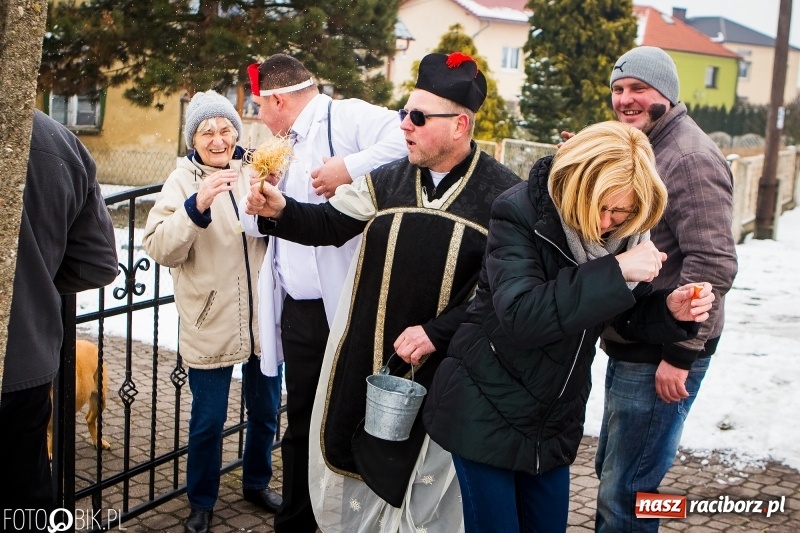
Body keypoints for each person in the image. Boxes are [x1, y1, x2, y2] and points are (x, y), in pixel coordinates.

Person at [242, 52, 522, 532]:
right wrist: (280, 208)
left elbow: (503, 294)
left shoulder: (504, 196)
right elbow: (328, 225)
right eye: (402, 113)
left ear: (459, 125)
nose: (404, 126)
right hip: (374, 360)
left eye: (417, 117)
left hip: (452, 373)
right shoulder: (387, 181)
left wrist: (438, 332)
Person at [422, 121, 716, 533]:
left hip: (552, 419)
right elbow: (523, 316)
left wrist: (670, 310)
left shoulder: (625, 237)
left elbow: (616, 316)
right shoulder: (520, 211)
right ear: (577, 185)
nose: (606, 223)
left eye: (621, 211)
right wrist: (615, 271)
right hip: (483, 408)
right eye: (600, 207)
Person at [242, 53, 407, 533]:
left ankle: (357, 519)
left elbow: (407, 140)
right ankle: (295, 523)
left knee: (350, 421)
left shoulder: (347, 115)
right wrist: (259, 202)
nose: (258, 117)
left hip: (346, 307)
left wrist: (348, 168)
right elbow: (257, 225)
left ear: (276, 99)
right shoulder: (275, 145)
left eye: (258, 106)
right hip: (297, 309)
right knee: (300, 425)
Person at [594, 46, 739, 532]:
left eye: (638, 89)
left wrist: (681, 354)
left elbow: (714, 263)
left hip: (664, 349)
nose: (625, 99)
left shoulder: (690, 157)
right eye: (618, 89)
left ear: (667, 94)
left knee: (629, 492)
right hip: (636, 340)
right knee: (615, 477)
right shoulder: (647, 145)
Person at [142, 91, 282, 533]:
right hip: (210, 317)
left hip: (262, 318)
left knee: (266, 412)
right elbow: (160, 247)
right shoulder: (181, 181)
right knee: (208, 421)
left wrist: (277, 199)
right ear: (193, 139)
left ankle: (256, 482)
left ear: (236, 132)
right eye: (206, 131)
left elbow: (281, 227)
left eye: (225, 129)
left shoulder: (255, 169)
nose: (218, 139)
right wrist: (196, 206)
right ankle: (201, 501)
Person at [0, 110, 118, 524]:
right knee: (26, 498)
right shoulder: (57, 141)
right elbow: (98, 263)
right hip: (23, 364)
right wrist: (34, 280)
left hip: (24, 366)